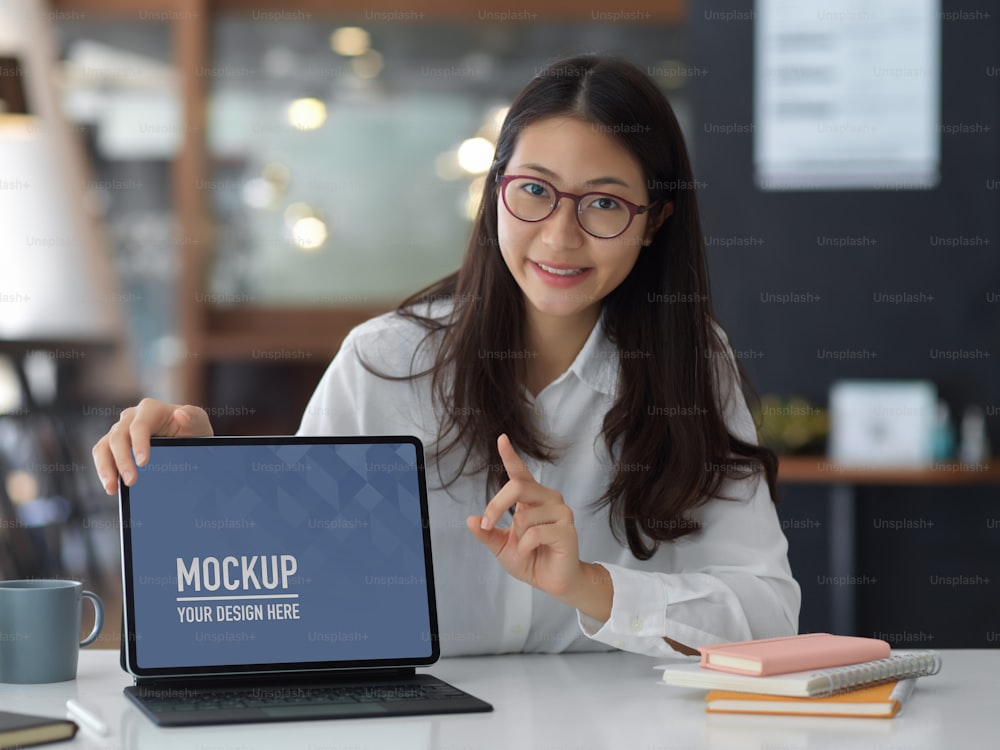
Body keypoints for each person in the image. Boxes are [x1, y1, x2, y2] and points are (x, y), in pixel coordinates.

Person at [92, 55, 800, 658]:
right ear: (495, 194)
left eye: (605, 204)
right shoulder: (385, 364)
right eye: (534, 192)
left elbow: (769, 615)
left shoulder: (692, 367)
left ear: (655, 223)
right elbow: (292, 595)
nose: (559, 237)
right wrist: (205, 484)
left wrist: (589, 584)